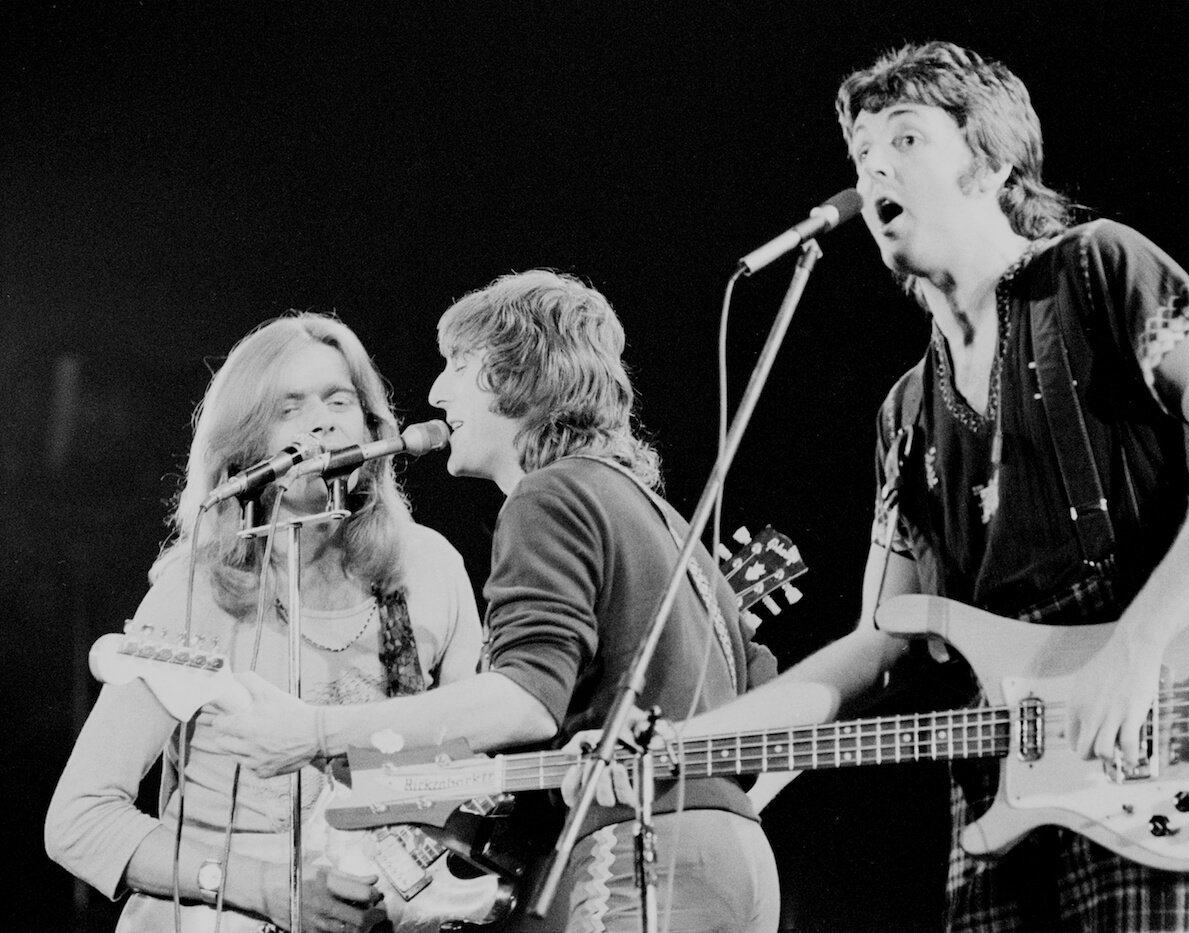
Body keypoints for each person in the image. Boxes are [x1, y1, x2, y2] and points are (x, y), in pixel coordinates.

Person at [672, 41, 1189, 933]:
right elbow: (877, 644)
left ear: (993, 160)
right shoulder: (904, 414)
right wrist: (691, 743)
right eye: (860, 154)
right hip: (1001, 785)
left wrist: (1140, 644)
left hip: (1151, 736)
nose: (872, 165)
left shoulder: (1098, 270)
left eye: (906, 138)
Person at [200, 270, 782, 933]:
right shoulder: (666, 520)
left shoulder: (549, 495)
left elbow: (524, 700)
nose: (435, 391)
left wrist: (314, 732)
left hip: (637, 858)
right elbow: (763, 721)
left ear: (514, 374)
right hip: (739, 862)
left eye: (457, 365)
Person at [45, 313, 483, 933]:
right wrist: (266, 891)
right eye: (290, 408)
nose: (323, 421)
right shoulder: (199, 588)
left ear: (372, 425)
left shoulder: (429, 569)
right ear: (246, 445)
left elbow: (476, 770)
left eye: (339, 400)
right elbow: (79, 819)